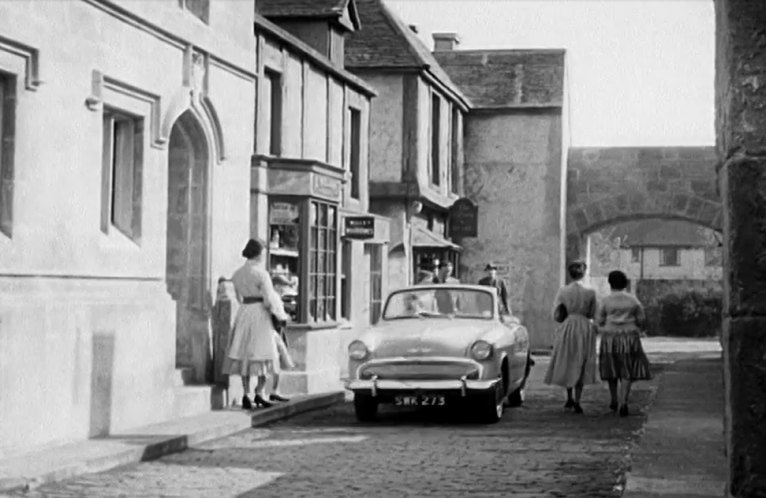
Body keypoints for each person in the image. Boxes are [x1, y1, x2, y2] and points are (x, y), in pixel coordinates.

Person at [224, 239, 290, 410]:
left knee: (244, 352)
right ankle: (259, 392)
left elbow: (238, 297)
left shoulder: (237, 274)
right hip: (260, 312)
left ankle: (245, 393)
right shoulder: (261, 274)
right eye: (263, 252)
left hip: (244, 311)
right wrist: (279, 314)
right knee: (265, 352)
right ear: (259, 253)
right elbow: (269, 299)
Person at [543, 260, 598, 414]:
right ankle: (578, 399)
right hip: (584, 326)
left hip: (568, 325)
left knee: (568, 359)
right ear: (583, 273)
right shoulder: (590, 292)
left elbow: (556, 312)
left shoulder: (563, 291)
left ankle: (569, 397)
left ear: (569, 273)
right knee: (581, 360)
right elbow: (592, 313)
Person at [597, 270, 652, 417]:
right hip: (629, 336)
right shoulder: (633, 300)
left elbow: (600, 319)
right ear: (625, 283)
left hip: (610, 337)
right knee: (627, 369)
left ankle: (614, 399)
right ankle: (624, 401)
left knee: (611, 369)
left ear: (610, 283)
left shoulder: (606, 300)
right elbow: (641, 319)